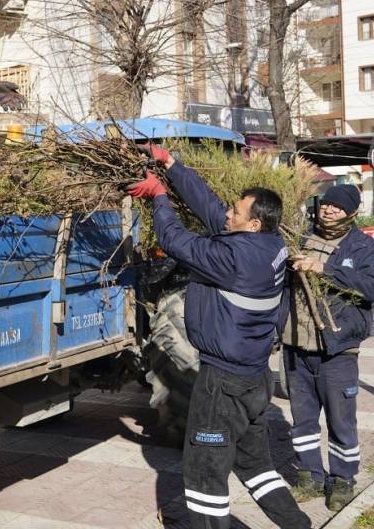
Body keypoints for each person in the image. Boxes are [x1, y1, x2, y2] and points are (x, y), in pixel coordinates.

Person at [127, 146, 310, 529]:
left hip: (223, 385)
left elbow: (175, 239)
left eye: (236, 212)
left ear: (253, 223)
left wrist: (159, 197)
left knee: (204, 476)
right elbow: (211, 210)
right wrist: (173, 166)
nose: (228, 213)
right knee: (257, 466)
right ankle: (300, 526)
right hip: (255, 378)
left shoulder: (230, 258)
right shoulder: (270, 246)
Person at [284, 184, 374, 511]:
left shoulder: (365, 248)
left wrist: (325, 269)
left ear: (352, 213)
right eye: (325, 204)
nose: (328, 210)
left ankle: (342, 479)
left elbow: (372, 288)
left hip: (337, 349)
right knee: (302, 419)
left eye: (337, 207)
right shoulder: (299, 241)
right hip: (296, 346)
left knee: (341, 420)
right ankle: (309, 476)